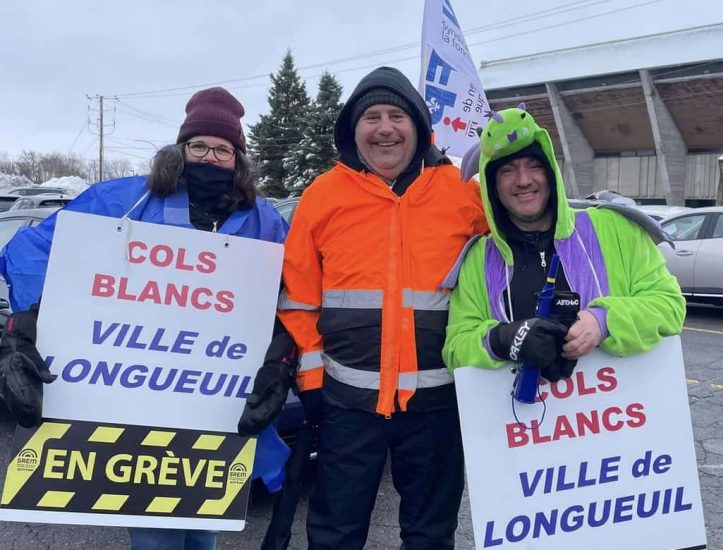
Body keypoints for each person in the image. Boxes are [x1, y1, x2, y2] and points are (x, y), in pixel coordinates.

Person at [0, 87, 290, 550]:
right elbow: (35, 251)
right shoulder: (123, 200)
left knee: (204, 525)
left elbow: (291, 290)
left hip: (212, 398)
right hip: (130, 398)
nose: (210, 158)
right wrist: (25, 327)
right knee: (154, 530)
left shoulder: (263, 220)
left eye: (223, 150)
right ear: (181, 148)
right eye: (199, 146)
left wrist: (280, 356)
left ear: (238, 158)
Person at [242, 66, 487, 550]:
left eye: (397, 114)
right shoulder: (322, 196)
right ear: (353, 131)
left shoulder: (463, 194)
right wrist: (311, 379)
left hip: (439, 405)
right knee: (334, 533)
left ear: (418, 125)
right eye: (371, 116)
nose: (384, 128)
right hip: (346, 405)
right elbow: (299, 296)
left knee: (431, 536)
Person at [443, 105, 685, 377]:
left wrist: (603, 321)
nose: (523, 180)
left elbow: (669, 306)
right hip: (520, 417)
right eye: (507, 171)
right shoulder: (479, 258)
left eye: (534, 166)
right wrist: (504, 339)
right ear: (491, 185)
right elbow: (456, 348)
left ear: (551, 172)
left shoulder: (617, 229)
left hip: (611, 414)